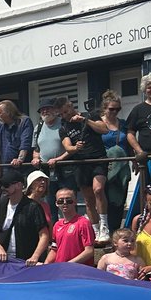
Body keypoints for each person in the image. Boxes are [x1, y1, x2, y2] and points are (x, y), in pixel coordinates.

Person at [58, 97, 109, 240]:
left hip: (98, 158)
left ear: (71, 106)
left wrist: (84, 121)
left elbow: (104, 130)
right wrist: (75, 148)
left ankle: (105, 226)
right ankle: (95, 229)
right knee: (88, 199)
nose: (64, 116)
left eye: (66, 111)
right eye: (61, 114)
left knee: (98, 189)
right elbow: (67, 146)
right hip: (80, 163)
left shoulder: (90, 115)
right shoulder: (63, 127)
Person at [0, 167, 50, 266]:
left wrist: (35, 257)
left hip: (26, 261)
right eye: (2, 185)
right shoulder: (0, 205)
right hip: (4, 261)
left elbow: (44, 235)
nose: (3, 188)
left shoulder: (33, 207)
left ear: (19, 185)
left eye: (6, 185)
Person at [99, 90, 133, 234]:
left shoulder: (123, 124)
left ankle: (116, 232)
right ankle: (105, 230)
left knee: (119, 201)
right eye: (111, 109)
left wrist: (134, 159)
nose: (115, 112)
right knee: (105, 199)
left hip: (122, 168)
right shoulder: (98, 123)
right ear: (104, 108)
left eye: (117, 109)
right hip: (104, 168)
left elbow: (130, 142)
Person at [31, 97, 74, 195]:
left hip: (66, 170)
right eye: (42, 109)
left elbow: (73, 148)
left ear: (55, 110)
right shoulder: (38, 127)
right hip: (46, 172)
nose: (45, 111)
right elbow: (36, 149)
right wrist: (35, 158)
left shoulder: (64, 123)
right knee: (50, 203)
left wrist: (58, 159)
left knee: (67, 201)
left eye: (48, 108)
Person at [45, 187, 96, 265]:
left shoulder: (84, 223)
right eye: (60, 201)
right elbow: (54, 249)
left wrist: (69, 264)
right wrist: (45, 265)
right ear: (56, 204)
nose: (64, 203)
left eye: (68, 200)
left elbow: (89, 251)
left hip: (78, 271)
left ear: (75, 202)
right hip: (60, 270)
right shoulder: (57, 225)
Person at [0, 100, 34, 168]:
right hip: (6, 166)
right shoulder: (0, 124)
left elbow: (25, 143)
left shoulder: (24, 121)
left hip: (23, 166)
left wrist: (19, 160)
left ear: (8, 112)